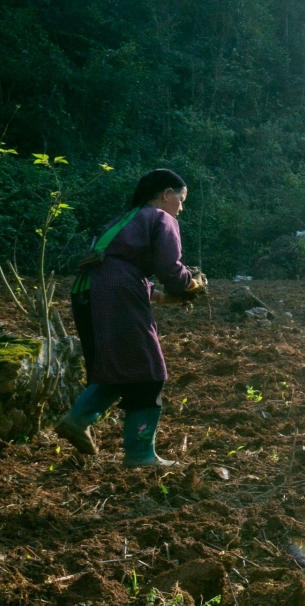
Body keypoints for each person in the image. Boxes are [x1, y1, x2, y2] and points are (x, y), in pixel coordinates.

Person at [56, 169, 205, 467]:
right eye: (181, 198)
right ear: (166, 194)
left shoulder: (124, 219)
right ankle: (140, 455)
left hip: (87, 291)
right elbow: (170, 268)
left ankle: (77, 419)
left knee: (119, 365)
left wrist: (159, 296)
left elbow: (116, 265)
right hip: (116, 294)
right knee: (149, 372)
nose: (181, 207)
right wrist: (190, 284)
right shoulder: (162, 218)